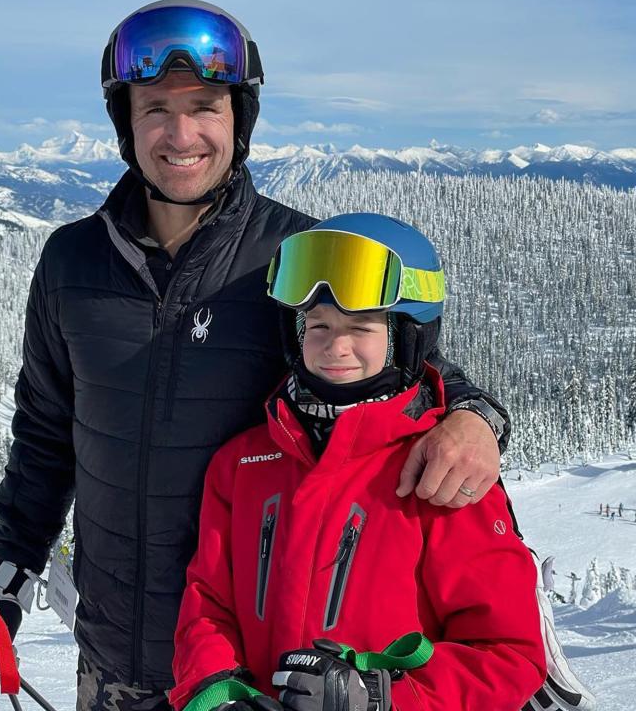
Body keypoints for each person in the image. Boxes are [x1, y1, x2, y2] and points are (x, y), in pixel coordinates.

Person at [0, 0, 510, 710]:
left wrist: (475, 416)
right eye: (154, 107)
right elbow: (46, 434)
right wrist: (9, 575)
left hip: (249, 675)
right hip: (107, 657)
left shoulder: (294, 258)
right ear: (124, 121)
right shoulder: (70, 262)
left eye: (204, 105)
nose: (180, 133)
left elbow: (398, 360)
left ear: (240, 119)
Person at [170, 215, 546, 710]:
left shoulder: (441, 470)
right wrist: (217, 693)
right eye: (319, 325)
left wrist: (381, 699)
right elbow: (208, 604)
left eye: (361, 328)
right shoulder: (243, 464)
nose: (335, 346)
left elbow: (507, 655)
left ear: (405, 337)